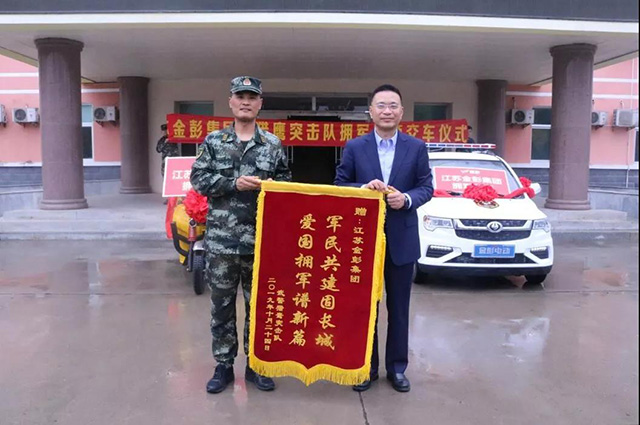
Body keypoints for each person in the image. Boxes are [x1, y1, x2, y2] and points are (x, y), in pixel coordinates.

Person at [190, 76, 292, 394]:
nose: (246, 101)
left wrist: (274, 187)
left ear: (260, 104)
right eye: (240, 96)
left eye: (252, 97)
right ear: (231, 102)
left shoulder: (272, 144)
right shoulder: (214, 141)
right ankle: (223, 366)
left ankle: (255, 365)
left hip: (260, 243)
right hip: (222, 242)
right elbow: (198, 179)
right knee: (221, 308)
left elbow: (286, 184)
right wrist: (232, 183)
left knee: (258, 308)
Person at [335, 84, 433, 393]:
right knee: (365, 309)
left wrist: (406, 199)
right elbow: (340, 184)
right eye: (381, 105)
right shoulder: (355, 147)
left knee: (399, 309)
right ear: (371, 112)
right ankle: (365, 368)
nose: (387, 111)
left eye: (393, 106)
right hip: (363, 241)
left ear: (401, 112)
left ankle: (397, 369)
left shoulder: (416, 147)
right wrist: (363, 188)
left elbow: (426, 187)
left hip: (402, 241)